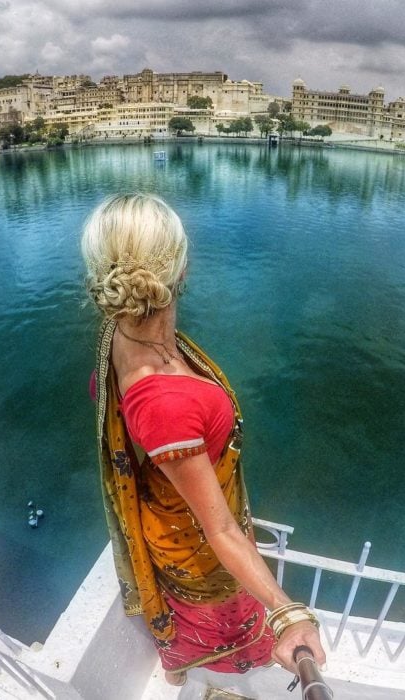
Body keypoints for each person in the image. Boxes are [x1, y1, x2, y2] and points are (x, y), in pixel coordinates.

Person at [81, 193, 325, 686]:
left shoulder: (121, 334)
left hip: (174, 516)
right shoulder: (163, 403)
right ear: (182, 269)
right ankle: (200, 679)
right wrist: (286, 611)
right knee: (227, 627)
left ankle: (179, 676)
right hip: (199, 551)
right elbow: (221, 532)